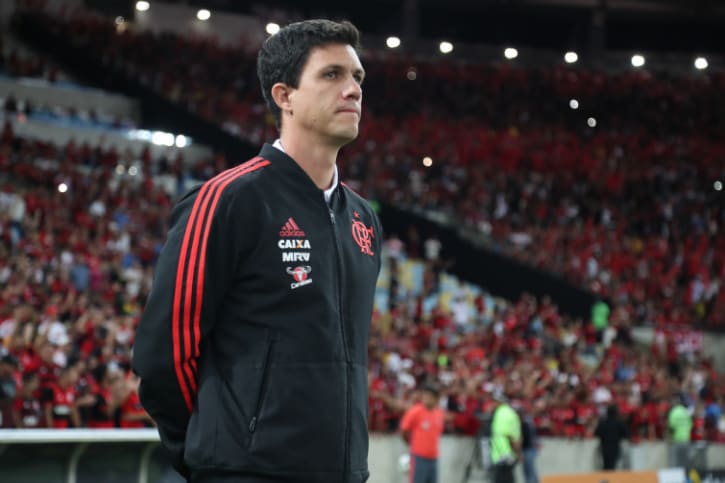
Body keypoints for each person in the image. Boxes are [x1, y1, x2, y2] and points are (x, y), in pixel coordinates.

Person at [132, 19, 382, 483]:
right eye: (331, 75)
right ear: (284, 96)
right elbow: (162, 355)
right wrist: (216, 452)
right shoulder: (229, 199)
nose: (352, 90)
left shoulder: (363, 220)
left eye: (357, 78)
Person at [399, 384, 445, 483]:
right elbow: (404, 430)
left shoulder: (439, 413)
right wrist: (412, 444)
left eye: (429, 396)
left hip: (433, 457)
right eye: (425, 395)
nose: (426, 399)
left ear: (436, 399)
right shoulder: (415, 411)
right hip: (419, 457)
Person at [489, 396, 521, 483]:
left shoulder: (501, 413)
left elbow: (509, 436)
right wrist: (517, 453)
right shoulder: (510, 413)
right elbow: (514, 437)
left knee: (501, 479)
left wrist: (516, 452)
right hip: (506, 454)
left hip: (503, 454)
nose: (492, 404)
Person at [594, 404, 628, 470]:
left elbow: (596, 433)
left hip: (605, 447)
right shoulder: (619, 423)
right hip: (615, 447)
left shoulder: (603, 423)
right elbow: (625, 435)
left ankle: (606, 478)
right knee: (613, 465)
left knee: (606, 465)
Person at [667, 394, 693, 468]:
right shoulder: (686, 412)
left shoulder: (674, 412)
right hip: (686, 440)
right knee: (685, 462)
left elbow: (671, 427)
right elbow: (690, 426)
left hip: (676, 440)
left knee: (676, 463)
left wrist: (670, 436)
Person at [520, 409, 539, 483]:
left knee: (529, 471)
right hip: (530, 449)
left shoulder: (525, 424)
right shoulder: (528, 422)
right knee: (530, 471)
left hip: (527, 449)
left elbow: (524, 438)